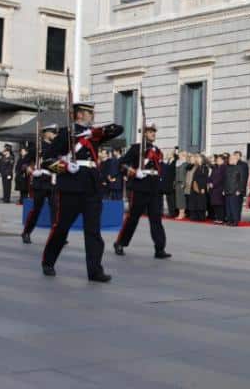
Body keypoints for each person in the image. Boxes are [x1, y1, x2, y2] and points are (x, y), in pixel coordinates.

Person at [41, 103, 123, 281]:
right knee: (61, 227)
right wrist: (64, 167)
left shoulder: (93, 136)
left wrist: (93, 132)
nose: (92, 115)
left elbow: (118, 129)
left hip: (92, 187)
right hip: (70, 186)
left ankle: (95, 271)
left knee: (93, 231)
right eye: (89, 113)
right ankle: (48, 261)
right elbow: (46, 162)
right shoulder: (65, 134)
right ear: (79, 115)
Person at [114, 122, 171, 259]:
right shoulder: (136, 148)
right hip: (140, 186)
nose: (153, 134)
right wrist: (133, 172)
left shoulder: (157, 151)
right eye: (150, 131)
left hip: (154, 187)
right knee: (133, 218)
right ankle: (120, 243)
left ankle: (159, 248)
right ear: (144, 133)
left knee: (156, 219)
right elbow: (121, 164)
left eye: (154, 132)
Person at [22, 124, 60, 244]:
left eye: (55, 133)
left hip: (53, 180)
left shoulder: (57, 147)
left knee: (55, 209)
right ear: (46, 133)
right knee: (37, 209)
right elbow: (24, 162)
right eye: (53, 132)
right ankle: (26, 232)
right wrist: (28, 168)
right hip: (40, 181)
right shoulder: (37, 147)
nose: (55, 135)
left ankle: (56, 235)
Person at [224, 151, 248, 226]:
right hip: (228, 190)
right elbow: (225, 180)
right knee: (228, 207)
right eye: (229, 159)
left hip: (235, 191)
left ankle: (235, 221)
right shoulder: (227, 168)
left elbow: (242, 180)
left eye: (231, 159)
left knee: (234, 207)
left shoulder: (240, 168)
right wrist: (224, 190)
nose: (229, 160)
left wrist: (240, 190)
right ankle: (229, 220)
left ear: (236, 160)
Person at [188, 154, 208, 221]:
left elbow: (204, 178)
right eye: (197, 158)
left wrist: (202, 188)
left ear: (202, 159)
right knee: (194, 201)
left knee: (201, 202)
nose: (197, 159)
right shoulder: (196, 166)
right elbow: (188, 167)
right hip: (194, 185)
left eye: (198, 158)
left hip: (201, 186)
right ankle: (194, 216)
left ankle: (201, 217)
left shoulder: (204, 167)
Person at [208, 154, 226, 223]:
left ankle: (221, 218)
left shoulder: (224, 168)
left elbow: (221, 178)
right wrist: (209, 182)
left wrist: (213, 184)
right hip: (213, 188)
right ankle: (217, 217)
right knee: (214, 204)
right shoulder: (215, 167)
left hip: (219, 188)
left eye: (219, 160)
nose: (217, 161)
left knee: (219, 204)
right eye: (217, 159)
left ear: (222, 160)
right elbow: (211, 176)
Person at [174, 151, 189, 219]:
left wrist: (184, 183)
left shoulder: (186, 163)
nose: (179, 156)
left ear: (184, 156)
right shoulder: (178, 163)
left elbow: (186, 175)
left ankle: (182, 213)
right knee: (178, 198)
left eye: (180, 155)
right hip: (177, 182)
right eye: (179, 155)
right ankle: (181, 213)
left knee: (182, 199)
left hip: (182, 182)